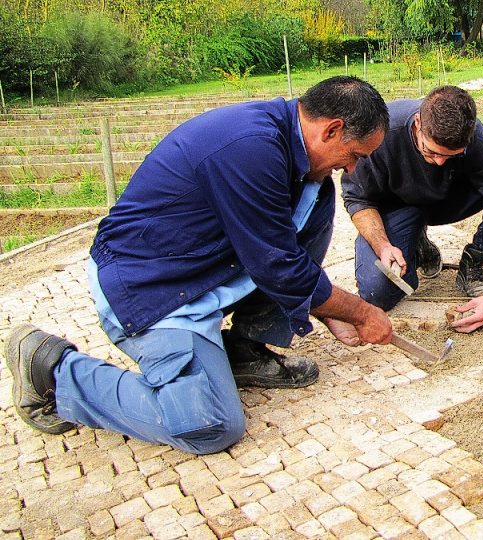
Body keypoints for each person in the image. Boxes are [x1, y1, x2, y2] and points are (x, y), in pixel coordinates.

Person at [5, 76, 394, 455]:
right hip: (152, 286)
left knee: (313, 203)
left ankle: (242, 352)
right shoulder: (251, 149)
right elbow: (278, 265)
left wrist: (324, 309)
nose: (354, 169)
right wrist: (359, 312)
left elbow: (285, 258)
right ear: (332, 129)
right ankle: (55, 374)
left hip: (200, 272)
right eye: (356, 155)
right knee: (210, 424)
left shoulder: (299, 162)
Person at [341, 85, 483, 333]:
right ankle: (414, 246)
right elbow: (358, 199)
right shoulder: (381, 134)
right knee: (378, 293)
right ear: (418, 124)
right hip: (399, 206)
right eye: (431, 151)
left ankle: (474, 262)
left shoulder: (478, 140)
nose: (439, 161)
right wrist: (383, 246)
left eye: (451, 156)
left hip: (448, 200)